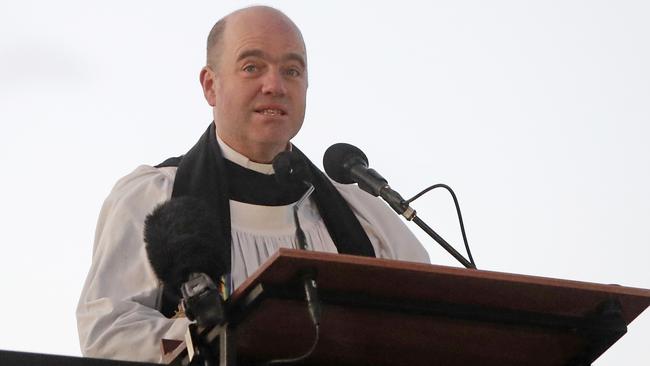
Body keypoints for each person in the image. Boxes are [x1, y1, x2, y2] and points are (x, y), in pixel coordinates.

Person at [76, 6, 430, 363]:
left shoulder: (361, 214)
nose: (275, 86)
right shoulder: (155, 197)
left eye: (291, 71)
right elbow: (108, 331)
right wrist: (221, 340)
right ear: (211, 85)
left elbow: (429, 322)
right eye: (252, 67)